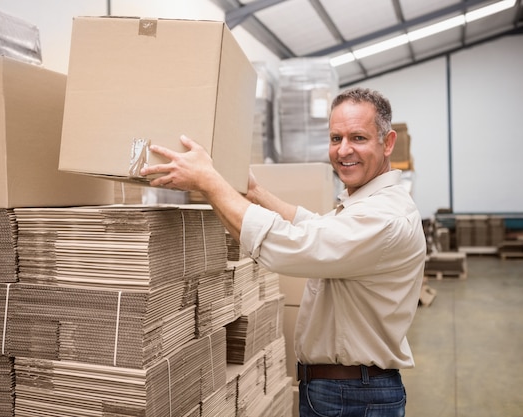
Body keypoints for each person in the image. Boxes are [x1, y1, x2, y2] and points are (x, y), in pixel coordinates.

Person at [140, 87, 426, 417]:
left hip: (352, 397)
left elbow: (289, 246)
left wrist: (209, 182)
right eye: (336, 138)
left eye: (358, 138)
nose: (343, 150)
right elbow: (314, 227)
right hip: (345, 391)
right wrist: (254, 192)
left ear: (387, 142)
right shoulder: (366, 205)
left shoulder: (383, 217)